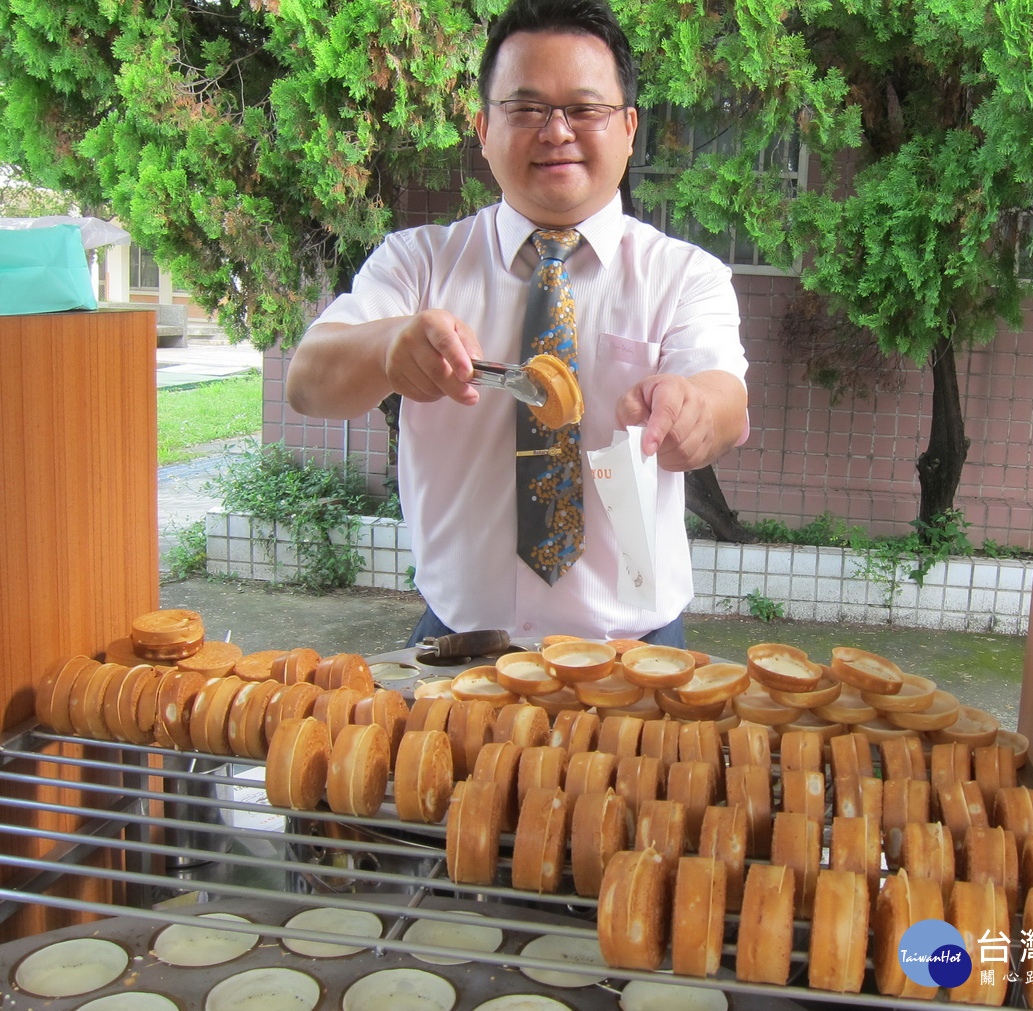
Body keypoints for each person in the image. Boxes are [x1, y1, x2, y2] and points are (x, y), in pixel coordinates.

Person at [285, 0, 748, 646]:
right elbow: (307, 381)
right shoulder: (419, 264)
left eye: (584, 109)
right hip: (461, 640)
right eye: (526, 109)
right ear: (482, 127)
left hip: (635, 649)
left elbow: (724, 394)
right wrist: (389, 348)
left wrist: (696, 411)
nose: (556, 131)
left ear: (629, 127)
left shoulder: (683, 276)